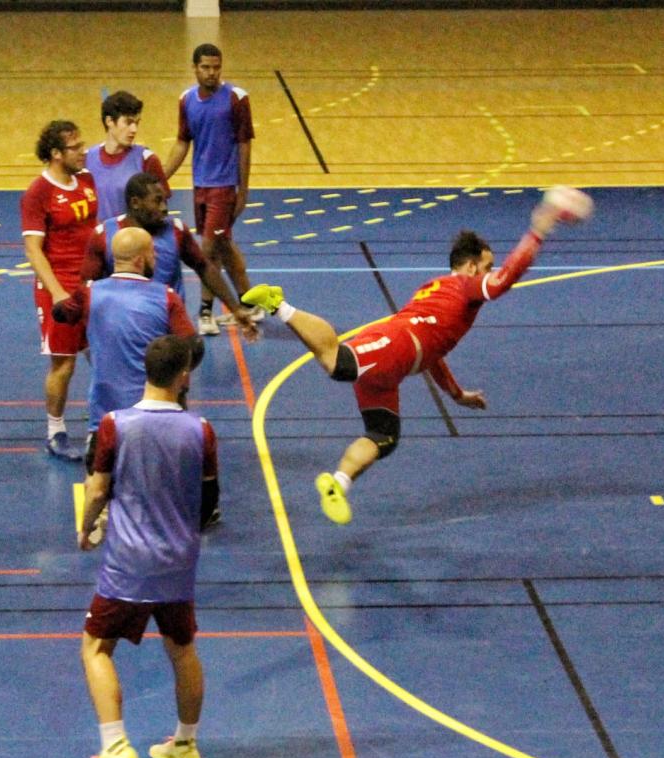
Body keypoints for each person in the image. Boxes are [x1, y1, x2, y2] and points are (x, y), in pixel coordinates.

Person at [240, 197, 577, 525]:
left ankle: (338, 484)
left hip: (396, 365)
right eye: (488, 267)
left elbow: (432, 355)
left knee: (383, 436)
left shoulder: (437, 290)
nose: (491, 273)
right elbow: (505, 281)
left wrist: (457, 395)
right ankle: (278, 304)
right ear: (472, 266)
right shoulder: (464, 286)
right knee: (337, 363)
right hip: (395, 347)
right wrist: (539, 229)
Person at [71, 335, 218, 758]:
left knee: (96, 648)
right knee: (182, 650)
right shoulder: (201, 430)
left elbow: (98, 489)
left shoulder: (116, 425)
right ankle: (185, 745)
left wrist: (86, 528)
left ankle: (115, 746)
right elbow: (209, 501)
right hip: (179, 562)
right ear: (184, 376)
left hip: (128, 565)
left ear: (146, 372)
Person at [54, 227, 197, 473]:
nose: (155, 259)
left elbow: (61, 313)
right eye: (153, 254)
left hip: (104, 420)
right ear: (141, 259)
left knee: (98, 482)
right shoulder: (167, 297)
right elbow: (192, 346)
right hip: (154, 416)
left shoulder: (88, 293)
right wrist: (181, 387)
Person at [80, 172, 257, 339]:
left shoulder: (177, 231)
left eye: (165, 201)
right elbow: (88, 287)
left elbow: (204, 268)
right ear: (135, 203)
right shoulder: (104, 235)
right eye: (157, 201)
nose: (164, 209)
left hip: (169, 333)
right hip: (124, 331)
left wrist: (235, 309)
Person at [165, 43, 256, 336]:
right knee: (223, 246)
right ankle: (249, 302)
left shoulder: (236, 99)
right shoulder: (186, 100)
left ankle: (205, 311)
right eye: (205, 67)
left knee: (207, 249)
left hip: (224, 187)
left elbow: (244, 145)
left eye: (216, 67)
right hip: (200, 186)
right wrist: (161, 177)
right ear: (195, 68)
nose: (211, 73)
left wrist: (243, 190)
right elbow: (182, 142)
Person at [21, 120, 98, 461]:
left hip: (92, 284)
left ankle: (103, 422)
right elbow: (33, 250)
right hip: (61, 287)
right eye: (75, 147)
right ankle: (55, 431)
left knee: (103, 356)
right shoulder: (38, 193)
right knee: (64, 364)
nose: (83, 151)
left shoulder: (87, 180)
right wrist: (58, 294)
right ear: (55, 153)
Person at [85, 90, 170, 222]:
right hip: (97, 235)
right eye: (128, 122)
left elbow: (160, 210)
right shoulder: (86, 159)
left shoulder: (147, 160)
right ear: (109, 121)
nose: (134, 129)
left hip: (135, 234)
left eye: (137, 123)